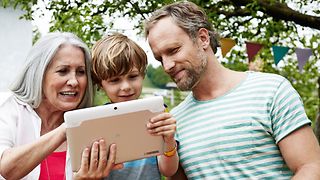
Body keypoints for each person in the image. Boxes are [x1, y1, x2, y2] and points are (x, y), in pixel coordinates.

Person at [144, 1, 320, 179]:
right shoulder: (174, 121)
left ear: (203, 38)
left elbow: (310, 167)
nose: (167, 66)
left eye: (173, 50)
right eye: (160, 58)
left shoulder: (271, 90)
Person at [0, 32, 122, 180]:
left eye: (81, 72)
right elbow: (6, 169)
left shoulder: (91, 127)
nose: (74, 81)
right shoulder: (7, 107)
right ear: (39, 74)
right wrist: (64, 130)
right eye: (63, 71)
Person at [90, 32, 179, 179]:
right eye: (114, 80)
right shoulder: (95, 122)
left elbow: (168, 171)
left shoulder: (156, 114)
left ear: (142, 75)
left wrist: (169, 141)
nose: (125, 86)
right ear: (100, 84)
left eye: (132, 77)